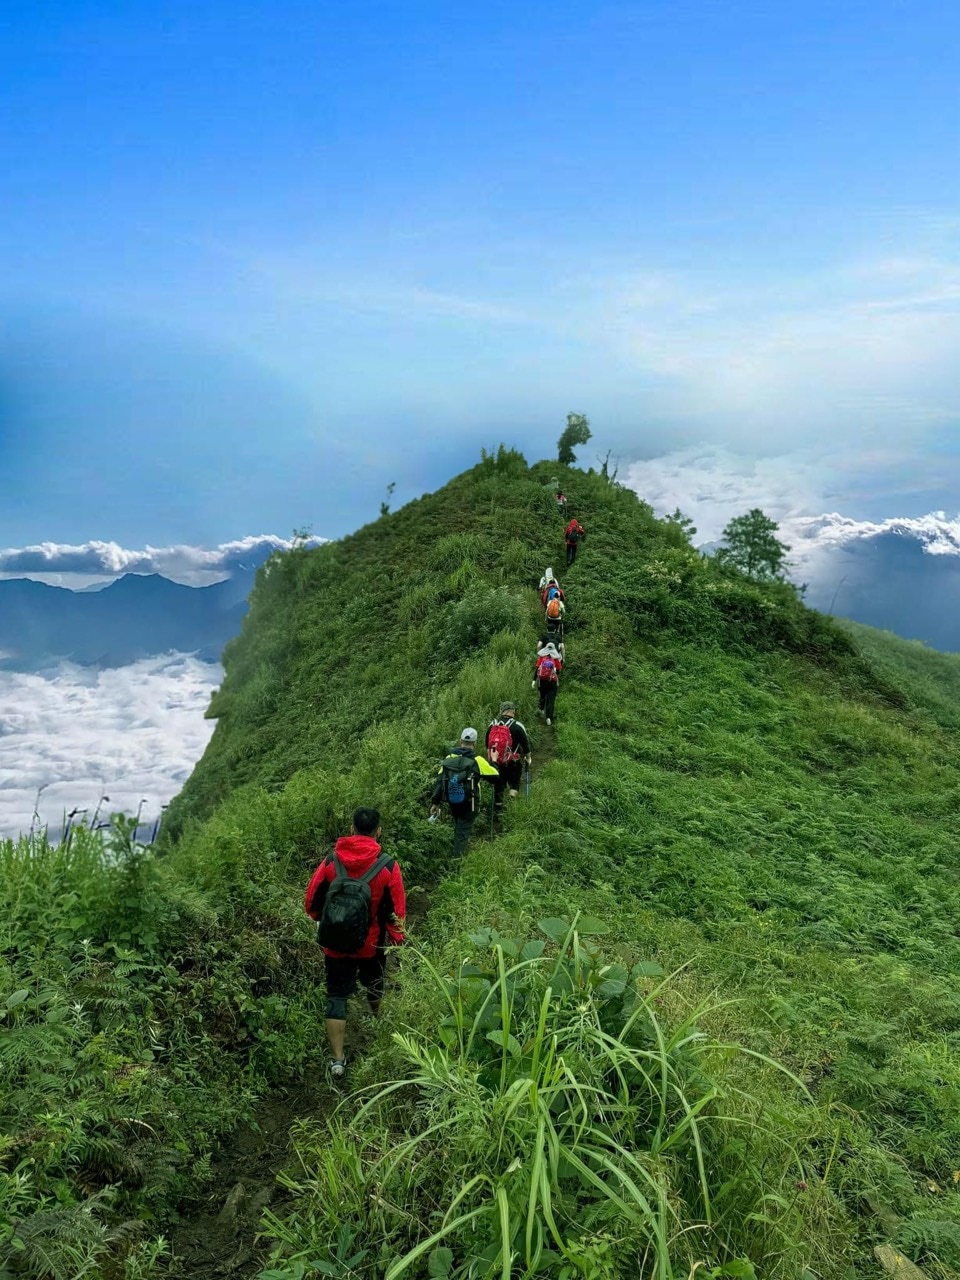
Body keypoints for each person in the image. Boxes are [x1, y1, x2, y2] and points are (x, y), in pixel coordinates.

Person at [304, 807, 406, 1081]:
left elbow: (311, 902)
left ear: (352, 829)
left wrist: (326, 920)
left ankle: (337, 1060)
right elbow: (397, 912)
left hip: (335, 945)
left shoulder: (331, 861)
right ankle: (379, 1026)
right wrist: (398, 940)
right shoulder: (387, 866)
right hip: (371, 946)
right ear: (378, 832)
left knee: (336, 996)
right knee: (375, 986)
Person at [429, 728, 499, 857]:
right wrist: (494, 761)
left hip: (453, 800)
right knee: (463, 830)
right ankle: (457, 861)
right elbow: (495, 777)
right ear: (475, 744)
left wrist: (435, 803)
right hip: (471, 803)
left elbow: (440, 781)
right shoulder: (477, 760)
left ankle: (457, 849)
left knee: (460, 824)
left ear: (461, 741)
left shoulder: (449, 758)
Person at [485, 701, 531, 810]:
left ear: (501, 711)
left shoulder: (492, 725)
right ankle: (511, 803)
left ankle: (498, 809)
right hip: (513, 761)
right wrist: (528, 758)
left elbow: (488, 746)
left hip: (497, 761)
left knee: (499, 785)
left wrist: (491, 762)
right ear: (513, 712)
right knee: (514, 782)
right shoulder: (518, 726)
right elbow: (526, 747)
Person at [533, 643, 563, 725]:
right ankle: (549, 717)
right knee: (551, 699)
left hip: (542, 681)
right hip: (552, 681)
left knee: (542, 695)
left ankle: (541, 710)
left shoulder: (542, 657)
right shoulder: (555, 658)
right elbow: (559, 669)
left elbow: (537, 668)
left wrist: (534, 680)